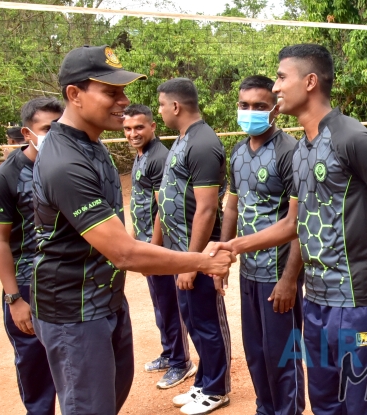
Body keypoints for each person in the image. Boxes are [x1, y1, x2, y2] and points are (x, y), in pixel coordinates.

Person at [214, 44, 367, 415]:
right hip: (315, 302)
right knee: (325, 402)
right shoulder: (301, 151)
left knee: (366, 404)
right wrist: (234, 246)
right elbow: (293, 223)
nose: (276, 87)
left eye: (281, 77)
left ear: (310, 82)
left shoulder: (351, 138)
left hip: (357, 304)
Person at [31, 45, 234, 415]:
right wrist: (201, 261)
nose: (123, 102)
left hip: (104, 299)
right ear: (74, 94)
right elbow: (123, 252)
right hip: (74, 310)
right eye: (111, 92)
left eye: (123, 91)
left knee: (110, 398)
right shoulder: (66, 162)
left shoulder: (92, 146)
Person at [220, 75, 305, 415]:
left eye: (259, 106)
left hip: (278, 272)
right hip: (249, 271)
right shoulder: (238, 152)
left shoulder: (290, 152)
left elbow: (299, 223)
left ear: (275, 109)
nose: (250, 112)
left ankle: (288, 411)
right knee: (255, 351)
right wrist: (223, 256)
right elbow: (232, 207)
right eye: (244, 105)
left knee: (281, 352)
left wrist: (289, 280)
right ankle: (265, 408)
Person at [156, 77, 231, 415]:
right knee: (193, 319)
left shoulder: (202, 142)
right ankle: (203, 381)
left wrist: (193, 261)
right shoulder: (183, 139)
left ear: (175, 106)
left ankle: (217, 389)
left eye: (161, 105)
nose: (160, 111)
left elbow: (207, 208)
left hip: (198, 254)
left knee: (207, 321)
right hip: (181, 252)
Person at [0, 97, 64, 415]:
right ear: (27, 133)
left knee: (73, 361)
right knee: (35, 366)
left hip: (66, 280)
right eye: (47, 129)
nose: (54, 134)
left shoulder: (67, 167)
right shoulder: (7, 176)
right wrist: (14, 298)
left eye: (59, 127)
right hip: (27, 284)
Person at [123, 103, 196, 389]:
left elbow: (161, 207)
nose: (133, 133)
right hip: (145, 243)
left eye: (139, 127)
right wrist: (134, 238)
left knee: (169, 305)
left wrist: (152, 249)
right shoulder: (141, 155)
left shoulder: (158, 158)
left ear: (153, 126)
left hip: (160, 247)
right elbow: (139, 202)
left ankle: (181, 362)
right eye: (128, 129)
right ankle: (169, 352)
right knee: (159, 305)